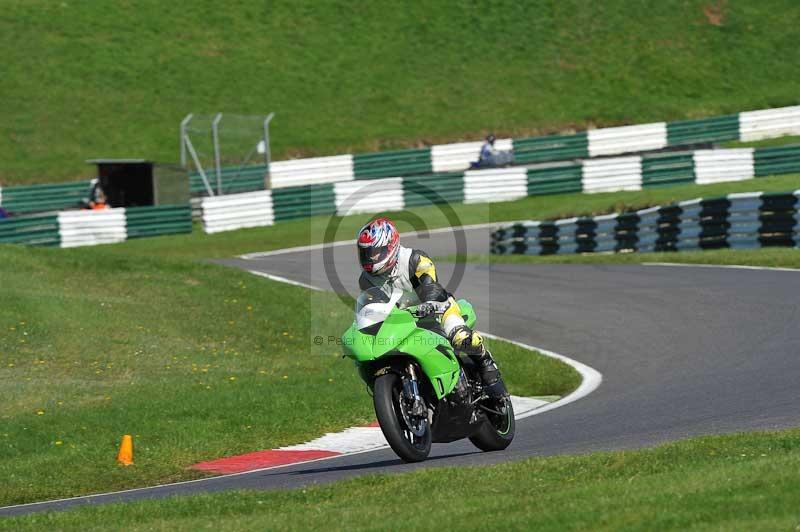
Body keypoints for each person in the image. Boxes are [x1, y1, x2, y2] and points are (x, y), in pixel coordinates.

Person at [356, 217, 509, 398]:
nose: (370, 258)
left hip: (437, 309)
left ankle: (485, 363)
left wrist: (429, 302)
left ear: (391, 245)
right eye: (366, 253)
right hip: (402, 322)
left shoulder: (414, 259)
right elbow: (373, 304)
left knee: (461, 338)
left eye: (375, 252)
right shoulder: (366, 279)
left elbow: (431, 284)